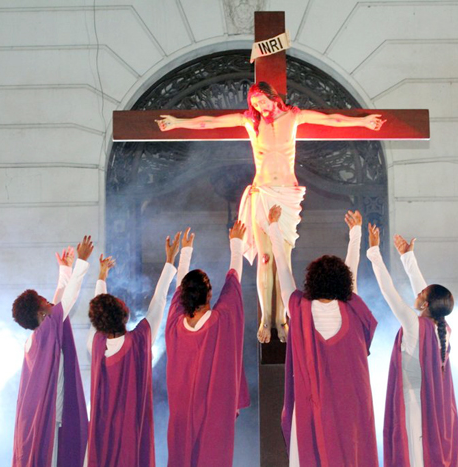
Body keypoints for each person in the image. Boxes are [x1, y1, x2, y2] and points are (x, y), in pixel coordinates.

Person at [156, 82, 385, 344]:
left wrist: (365, 121)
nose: (260, 108)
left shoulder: (294, 117)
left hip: (286, 195)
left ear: (271, 96)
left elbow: (332, 119)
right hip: (262, 193)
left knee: (282, 258)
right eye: (255, 105)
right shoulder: (250, 123)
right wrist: (175, 123)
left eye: (262, 101)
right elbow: (210, 122)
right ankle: (266, 318)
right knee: (265, 259)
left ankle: (281, 319)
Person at [267, 205, 378, 466]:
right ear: (344, 283)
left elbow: (283, 270)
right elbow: (353, 268)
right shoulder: (353, 309)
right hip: (351, 404)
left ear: (311, 282)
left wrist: (274, 227)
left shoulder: (298, 309)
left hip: (311, 406)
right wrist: (356, 233)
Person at [366, 225, 458, 467]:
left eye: (421, 294)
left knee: (414, 456)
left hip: (413, 402)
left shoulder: (414, 324)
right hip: (436, 406)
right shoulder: (444, 328)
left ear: (425, 304)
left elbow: (389, 292)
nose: (416, 293)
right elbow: (425, 291)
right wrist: (407, 257)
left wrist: (374, 252)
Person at [85, 232, 181, 467]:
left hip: (100, 441)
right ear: (125, 315)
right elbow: (157, 304)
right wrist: (169, 262)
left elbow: (98, 313)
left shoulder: (95, 345)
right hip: (130, 443)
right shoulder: (139, 342)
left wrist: (101, 277)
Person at [165, 220, 250, 466]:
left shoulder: (174, 326)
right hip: (214, 415)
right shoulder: (221, 321)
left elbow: (179, 290)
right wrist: (237, 242)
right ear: (210, 293)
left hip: (181, 415)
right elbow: (234, 281)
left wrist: (185, 253)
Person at [12, 237, 94, 467]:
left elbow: (59, 301)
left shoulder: (36, 339)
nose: (49, 301)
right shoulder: (46, 332)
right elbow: (65, 301)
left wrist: (65, 269)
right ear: (41, 314)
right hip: (48, 421)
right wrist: (82, 262)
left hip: (37, 420)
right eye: (43, 300)